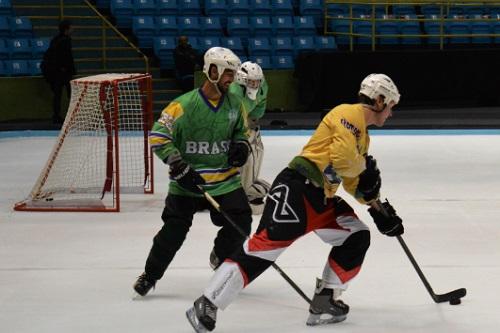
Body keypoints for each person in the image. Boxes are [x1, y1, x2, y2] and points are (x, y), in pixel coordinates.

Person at [186, 73, 405, 332]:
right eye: (390, 106)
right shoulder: (347, 113)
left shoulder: (363, 137)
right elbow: (344, 158)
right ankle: (208, 302)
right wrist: (364, 171)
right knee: (262, 249)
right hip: (296, 190)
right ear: (379, 100)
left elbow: (351, 180)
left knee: (356, 234)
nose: (390, 113)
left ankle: (326, 299)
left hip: (321, 199)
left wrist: (376, 206)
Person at [133, 47, 253, 297]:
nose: (232, 79)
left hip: (224, 182)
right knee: (173, 232)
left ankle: (221, 257)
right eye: (228, 73)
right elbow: (158, 136)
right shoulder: (183, 105)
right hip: (187, 184)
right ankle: (150, 274)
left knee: (241, 221)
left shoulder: (235, 104)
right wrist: (178, 165)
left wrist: (241, 145)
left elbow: (241, 131)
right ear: (213, 71)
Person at [230, 61, 270, 215]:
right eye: (251, 82)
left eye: (257, 81)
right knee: (247, 155)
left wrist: (253, 120)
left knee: (258, 150)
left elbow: (260, 105)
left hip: (246, 123)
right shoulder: (234, 93)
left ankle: (249, 186)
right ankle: (243, 190)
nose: (255, 84)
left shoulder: (263, 86)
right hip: (232, 126)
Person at [41, 20, 76, 124]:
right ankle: (72, 115)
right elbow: (67, 57)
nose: (73, 29)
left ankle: (56, 115)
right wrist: (71, 70)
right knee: (70, 93)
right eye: (71, 27)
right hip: (61, 72)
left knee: (57, 95)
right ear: (67, 29)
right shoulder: (65, 40)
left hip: (54, 72)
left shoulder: (55, 39)